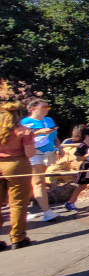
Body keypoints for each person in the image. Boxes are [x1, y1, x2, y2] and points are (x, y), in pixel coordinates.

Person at [0, 102, 37, 250]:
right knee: (18, 203)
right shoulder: (24, 131)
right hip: (16, 164)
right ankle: (18, 237)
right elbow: (30, 153)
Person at [20, 99, 62, 221]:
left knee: (33, 182)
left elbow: (55, 136)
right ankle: (46, 212)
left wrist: (59, 146)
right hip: (34, 154)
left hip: (48, 153)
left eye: (47, 107)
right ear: (33, 108)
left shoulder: (49, 120)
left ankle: (22, 209)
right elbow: (23, 138)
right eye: (44, 107)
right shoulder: (26, 122)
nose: (47, 110)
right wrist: (39, 132)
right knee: (38, 182)